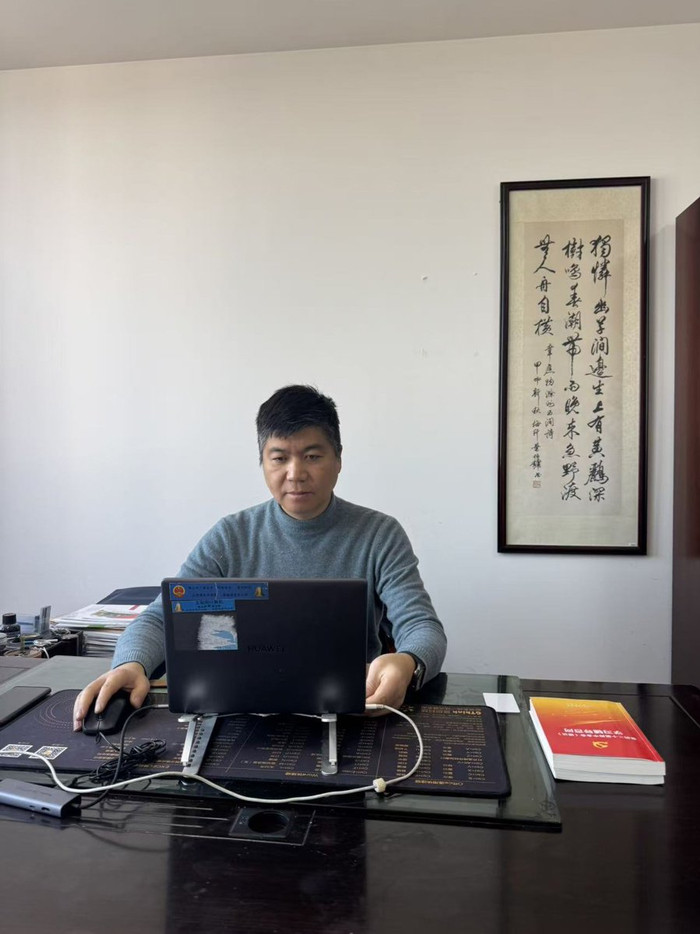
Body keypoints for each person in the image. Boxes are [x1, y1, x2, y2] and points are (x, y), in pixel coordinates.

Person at [73, 385, 447, 730]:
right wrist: (131, 663)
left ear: (338, 459)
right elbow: (161, 620)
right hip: (239, 714)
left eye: (312, 456)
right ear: (263, 463)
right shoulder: (230, 536)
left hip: (349, 714)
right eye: (279, 458)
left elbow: (422, 627)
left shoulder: (379, 535)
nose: (295, 474)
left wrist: (409, 662)